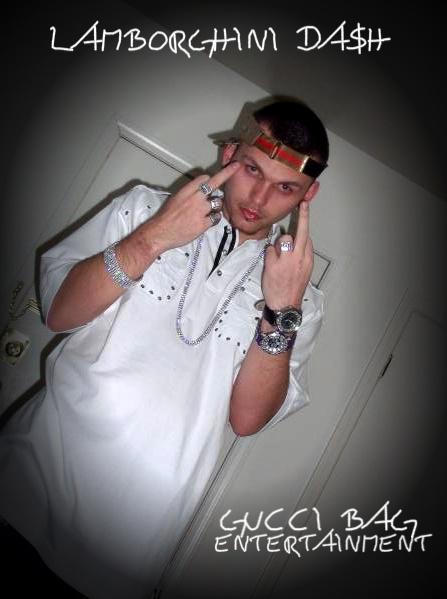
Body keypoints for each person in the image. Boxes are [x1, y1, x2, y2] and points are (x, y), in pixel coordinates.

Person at [0, 99, 329, 598]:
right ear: (228, 153)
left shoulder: (302, 301)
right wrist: (154, 237)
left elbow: (246, 421)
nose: (260, 198)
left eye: (286, 188)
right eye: (251, 169)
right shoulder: (143, 209)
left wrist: (281, 308)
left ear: (309, 194)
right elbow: (59, 313)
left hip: (118, 560)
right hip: (22, 489)